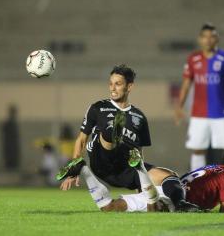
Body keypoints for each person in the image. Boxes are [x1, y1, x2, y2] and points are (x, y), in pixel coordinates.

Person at [57, 64, 199, 212]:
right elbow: (81, 139)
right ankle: (113, 134)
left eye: (117, 84)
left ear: (129, 87)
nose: (112, 88)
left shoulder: (139, 117)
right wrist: (74, 166)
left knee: (168, 175)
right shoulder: (98, 108)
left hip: (125, 168)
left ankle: (181, 204)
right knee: (108, 133)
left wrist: (142, 182)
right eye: (111, 84)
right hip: (102, 161)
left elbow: (139, 152)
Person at [174, 23, 224, 201]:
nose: (208, 40)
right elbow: (186, 84)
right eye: (205, 36)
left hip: (220, 114)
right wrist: (179, 106)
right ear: (200, 39)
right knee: (197, 150)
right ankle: (195, 185)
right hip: (198, 115)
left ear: (217, 39)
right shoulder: (193, 59)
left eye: (212, 36)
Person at [97, 148, 224, 213]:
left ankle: (87, 171)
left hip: (168, 189)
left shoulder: (214, 168)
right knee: (157, 207)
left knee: (111, 207)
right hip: (175, 200)